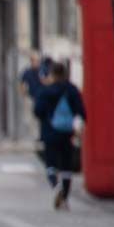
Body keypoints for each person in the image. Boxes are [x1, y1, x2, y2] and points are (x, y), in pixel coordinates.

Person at [33, 62, 86, 210]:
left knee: (51, 165)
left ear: (53, 74)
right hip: (67, 134)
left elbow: (38, 111)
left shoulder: (46, 91)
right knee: (66, 166)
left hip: (50, 133)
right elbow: (81, 112)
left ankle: (57, 188)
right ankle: (65, 198)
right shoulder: (72, 90)